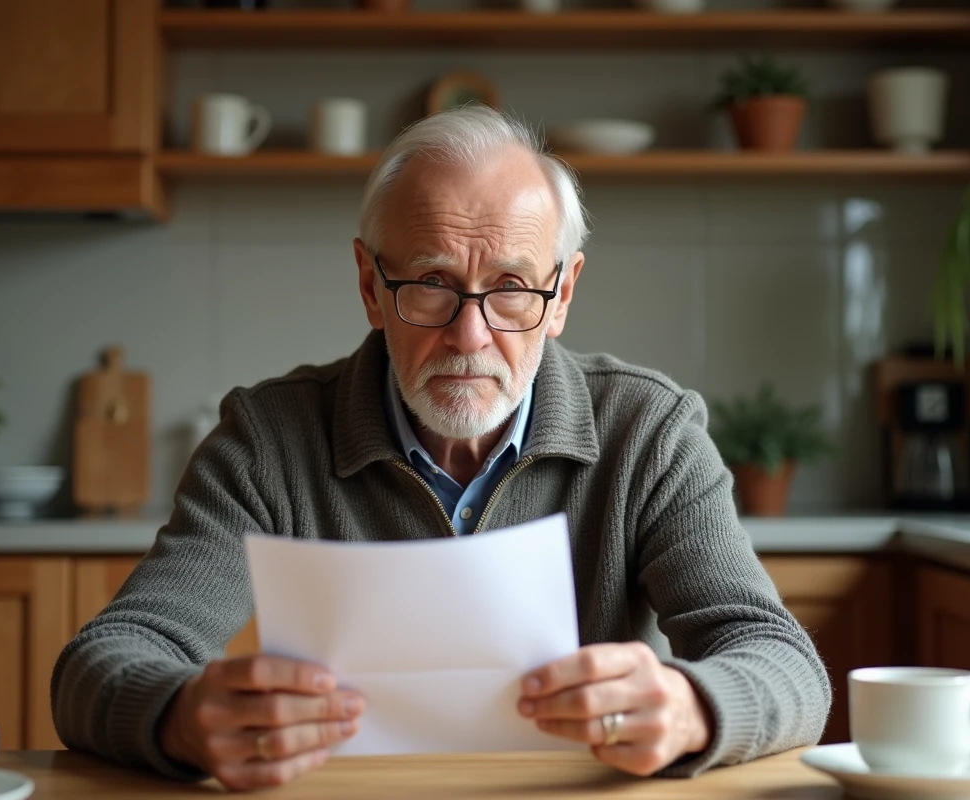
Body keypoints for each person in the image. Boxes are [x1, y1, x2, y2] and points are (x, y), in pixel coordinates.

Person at [51, 105, 831, 792]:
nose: (470, 335)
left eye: (513, 288)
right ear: (368, 285)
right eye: (430, 281)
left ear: (561, 295)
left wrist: (693, 707)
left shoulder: (648, 432)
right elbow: (105, 659)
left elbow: (783, 662)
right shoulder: (268, 440)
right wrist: (179, 718)